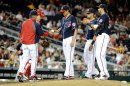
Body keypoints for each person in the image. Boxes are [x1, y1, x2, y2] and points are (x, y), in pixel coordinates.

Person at [17, 10, 45, 82]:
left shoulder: (24, 23)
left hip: (24, 44)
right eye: (36, 15)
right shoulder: (36, 24)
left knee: (25, 59)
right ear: (34, 16)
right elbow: (42, 36)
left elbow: (21, 33)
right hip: (32, 44)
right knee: (34, 59)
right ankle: (32, 75)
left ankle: (20, 73)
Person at [53, 5, 78, 79]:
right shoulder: (63, 18)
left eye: (63, 11)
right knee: (67, 58)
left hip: (70, 38)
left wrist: (73, 40)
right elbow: (62, 27)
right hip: (64, 39)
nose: (62, 13)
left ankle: (66, 74)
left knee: (69, 57)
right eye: (62, 12)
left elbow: (75, 29)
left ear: (67, 10)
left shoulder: (72, 17)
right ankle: (72, 74)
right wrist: (56, 30)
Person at [88, 4, 111, 80]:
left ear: (103, 8)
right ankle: (105, 74)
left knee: (99, 55)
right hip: (101, 36)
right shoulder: (102, 17)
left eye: (99, 8)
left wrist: (89, 23)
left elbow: (98, 27)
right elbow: (97, 28)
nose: (98, 9)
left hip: (103, 35)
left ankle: (104, 74)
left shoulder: (104, 16)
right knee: (101, 55)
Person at [82, 8, 99, 79]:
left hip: (93, 41)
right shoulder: (89, 21)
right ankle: (95, 72)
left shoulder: (95, 22)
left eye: (88, 13)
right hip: (88, 40)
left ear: (92, 14)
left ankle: (88, 74)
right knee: (85, 57)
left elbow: (96, 33)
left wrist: (92, 43)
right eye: (87, 13)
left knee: (91, 57)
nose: (87, 14)